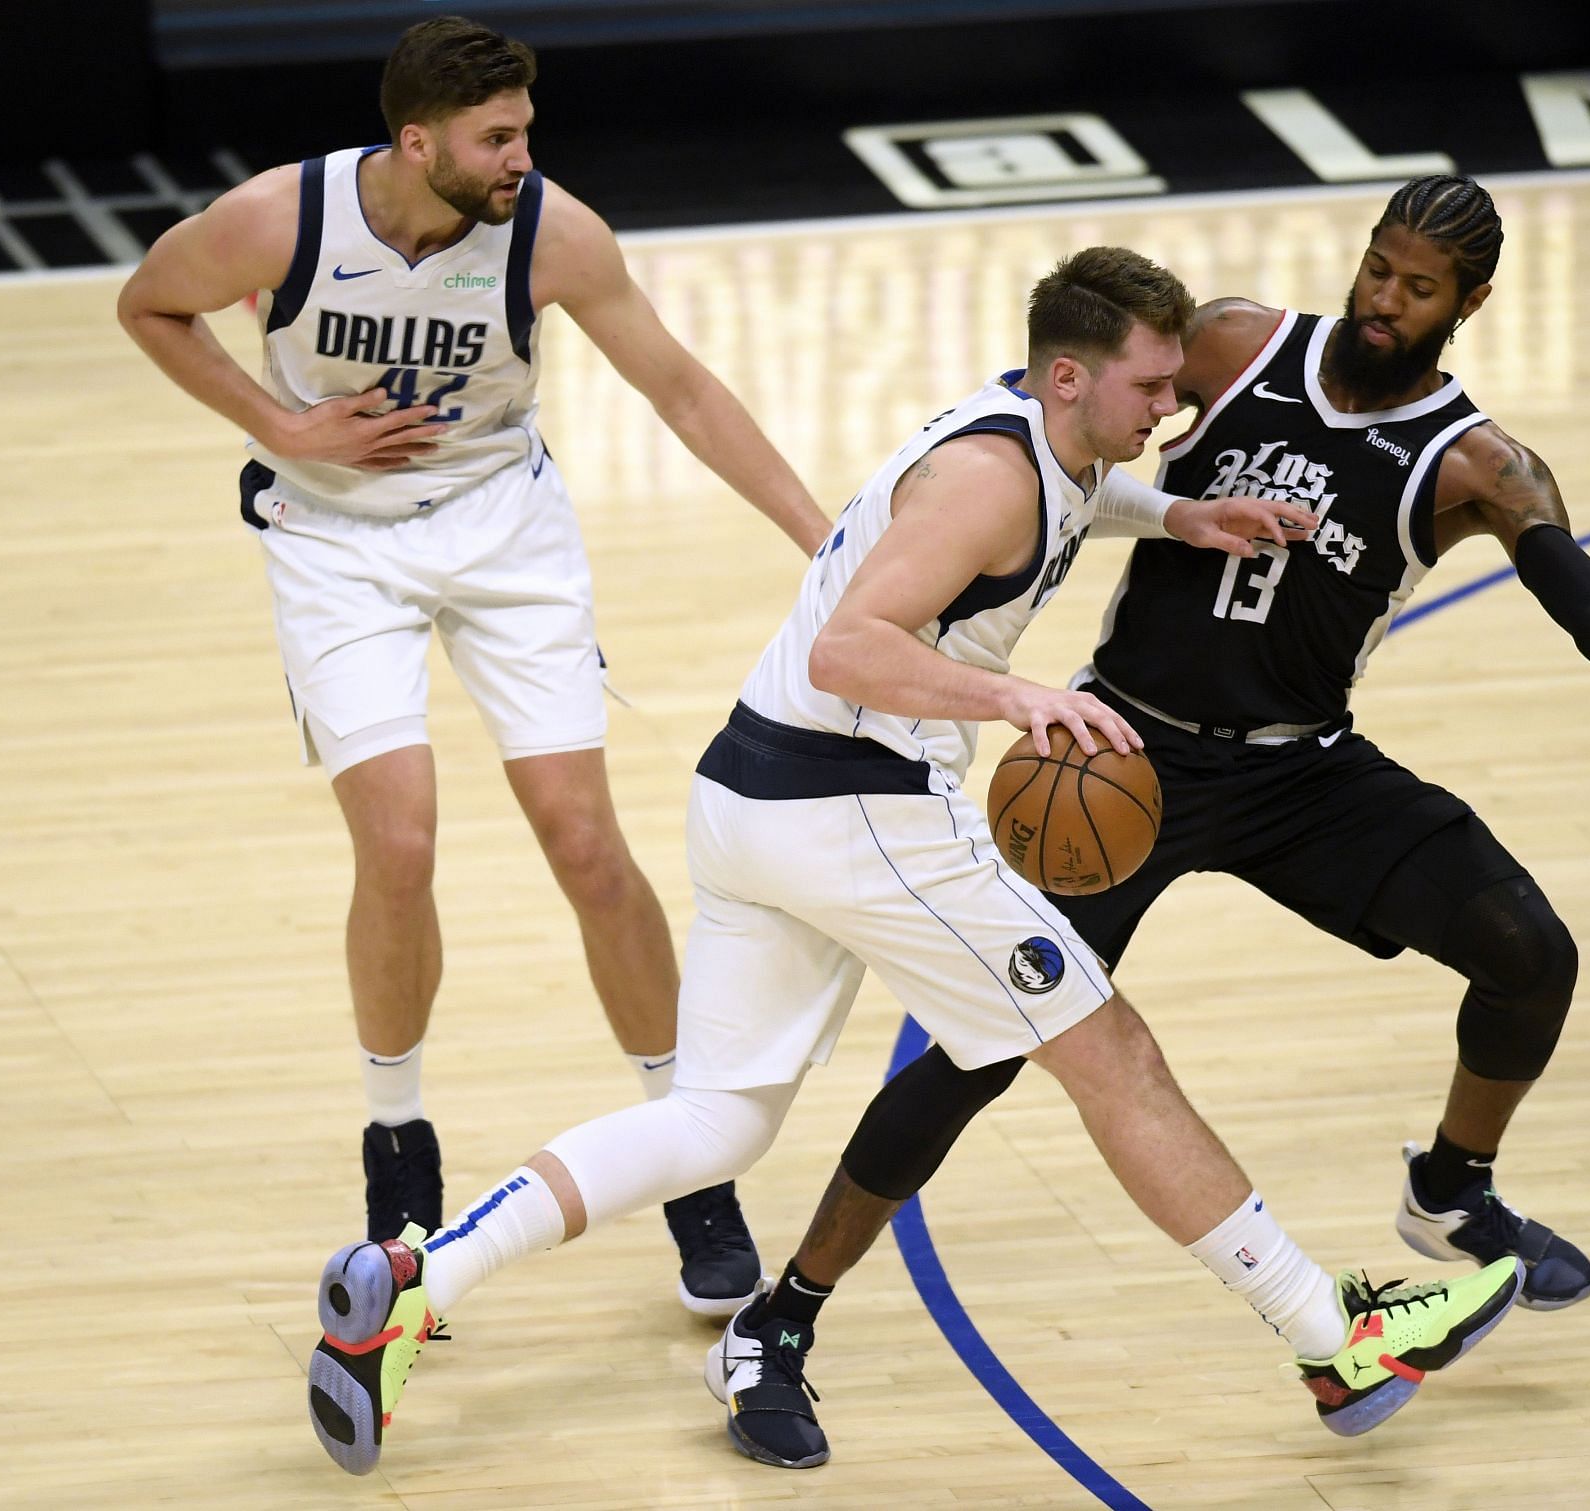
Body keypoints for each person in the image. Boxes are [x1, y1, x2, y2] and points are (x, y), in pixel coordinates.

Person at [300, 245, 1526, 1477]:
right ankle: (1333, 1336)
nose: (1174, 405)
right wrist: (1015, 697)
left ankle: (414, 1277)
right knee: (1114, 1056)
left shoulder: (1039, 437)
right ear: (1068, 376)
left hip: (748, 796)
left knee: (716, 1120)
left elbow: (1069, 503)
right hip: (859, 806)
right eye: (1152, 385)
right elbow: (849, 649)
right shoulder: (987, 482)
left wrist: (1181, 514)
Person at [707, 174, 1590, 1468]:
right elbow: (1070, 403)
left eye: (1417, 288)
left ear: (1469, 305)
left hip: (1304, 771)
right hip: (1120, 759)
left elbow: (1587, 603)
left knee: (1533, 950)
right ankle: (784, 1312)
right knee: (982, 1050)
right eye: (1377, 268)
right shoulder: (1241, 343)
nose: (1383, 300)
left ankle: (1452, 1189)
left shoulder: (1481, 464)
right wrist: (1147, 507)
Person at [116, 15, 833, 1314]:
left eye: (526, 130)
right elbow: (148, 303)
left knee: (585, 842)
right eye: (497, 136)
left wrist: (820, 537)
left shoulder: (554, 234)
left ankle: (685, 1150)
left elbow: (681, 388)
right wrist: (282, 421)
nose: (522, 155)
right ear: (415, 141)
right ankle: (400, 1146)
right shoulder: (280, 220)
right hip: (333, 538)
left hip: (506, 529)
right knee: (398, 840)